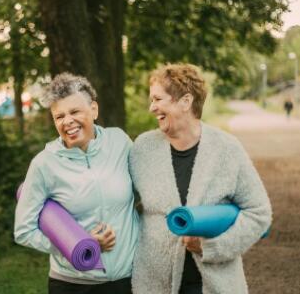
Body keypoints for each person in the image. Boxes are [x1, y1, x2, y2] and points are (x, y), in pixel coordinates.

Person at [129, 64, 272, 294]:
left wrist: (211, 248)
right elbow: (124, 204)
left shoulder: (227, 149)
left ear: (185, 102)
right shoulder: (142, 149)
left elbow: (259, 213)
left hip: (215, 284)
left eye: (158, 99)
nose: (151, 107)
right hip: (153, 285)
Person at [14, 73, 139, 294]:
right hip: (73, 284)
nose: (67, 121)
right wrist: (77, 245)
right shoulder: (44, 164)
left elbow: (144, 191)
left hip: (127, 280)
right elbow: (24, 230)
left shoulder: (119, 142)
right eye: (59, 116)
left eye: (74, 112)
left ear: (94, 110)